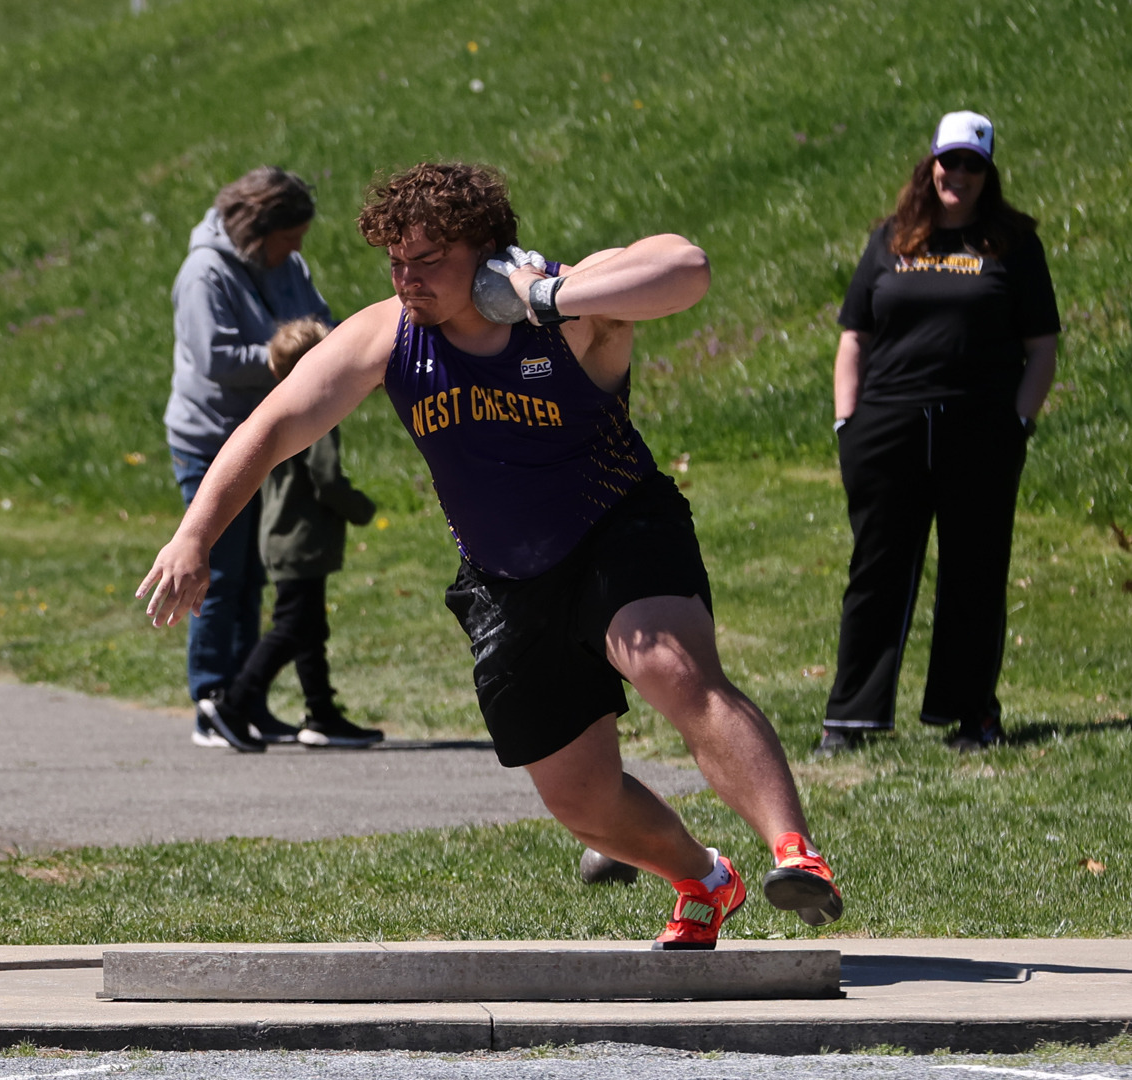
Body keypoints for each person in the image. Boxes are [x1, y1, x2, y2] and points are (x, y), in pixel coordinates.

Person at [140, 162, 842, 948]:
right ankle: (703, 878)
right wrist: (193, 536)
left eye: (428, 260)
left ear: (486, 249)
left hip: (617, 525)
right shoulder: (385, 335)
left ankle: (797, 853)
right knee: (581, 799)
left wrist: (549, 295)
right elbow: (272, 427)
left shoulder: (565, 308)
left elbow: (688, 265)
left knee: (670, 666)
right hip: (505, 579)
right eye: (395, 261)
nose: (407, 280)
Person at [819, 111, 1061, 756]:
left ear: (989, 174)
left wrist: (1019, 421)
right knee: (877, 570)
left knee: (975, 572)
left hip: (980, 430)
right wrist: (848, 421)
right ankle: (851, 719)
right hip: (887, 427)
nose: (959, 175)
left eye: (973, 165)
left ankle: (972, 715)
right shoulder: (892, 240)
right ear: (930, 166)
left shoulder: (1014, 244)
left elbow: (1042, 346)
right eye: (949, 161)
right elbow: (854, 336)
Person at [164, 167, 334, 752]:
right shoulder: (204, 272)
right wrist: (285, 356)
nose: (295, 251)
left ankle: (246, 701)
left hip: (264, 440)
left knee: (255, 576)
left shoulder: (285, 265)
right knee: (218, 570)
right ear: (259, 227)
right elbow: (214, 358)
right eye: (289, 237)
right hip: (210, 439)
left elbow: (321, 320)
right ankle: (210, 700)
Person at [200, 317, 385, 751]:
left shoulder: (275, 408)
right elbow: (325, 479)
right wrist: (359, 508)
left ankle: (321, 714)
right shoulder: (316, 409)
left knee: (309, 628)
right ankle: (233, 704)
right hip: (302, 539)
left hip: (280, 536)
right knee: (292, 627)